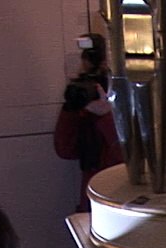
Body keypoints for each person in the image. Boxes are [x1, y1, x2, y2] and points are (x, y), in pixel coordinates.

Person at [55, 32, 125, 212]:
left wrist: (107, 115)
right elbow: (65, 150)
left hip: (117, 201)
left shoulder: (129, 100)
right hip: (90, 201)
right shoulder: (86, 109)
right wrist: (71, 111)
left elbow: (122, 160)